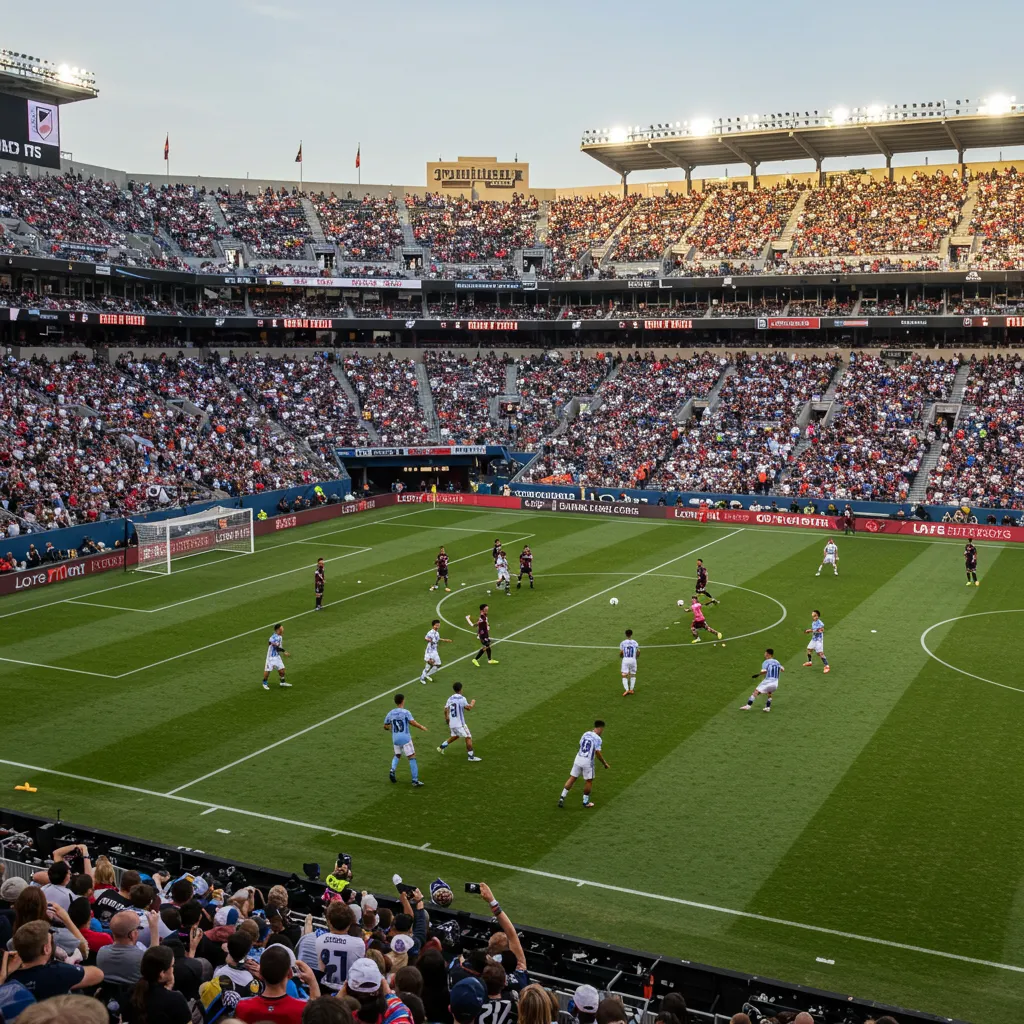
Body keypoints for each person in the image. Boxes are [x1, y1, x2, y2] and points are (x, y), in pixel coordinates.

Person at [3, 920, 104, 998]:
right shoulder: (58, 972)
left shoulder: (7, 972)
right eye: (51, 941)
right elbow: (98, 974)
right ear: (46, 949)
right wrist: (70, 967)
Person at [236, 944, 320, 1023]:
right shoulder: (303, 1010)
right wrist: (312, 980)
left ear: (260, 974)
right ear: (290, 974)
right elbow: (318, 1014)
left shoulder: (242, 1007)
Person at [124, 945, 190, 1024]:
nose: (173, 968)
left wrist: (168, 989)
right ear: (162, 973)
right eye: (172, 966)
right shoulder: (176, 1000)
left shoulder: (131, 992)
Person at [316, 902, 365, 994]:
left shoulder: (320, 940)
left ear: (329, 921)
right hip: (347, 990)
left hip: (324, 988)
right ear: (350, 923)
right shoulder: (359, 943)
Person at [558, 721, 609, 809]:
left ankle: (562, 797)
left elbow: (580, 744)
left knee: (572, 777)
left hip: (578, 758)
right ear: (600, 728)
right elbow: (597, 752)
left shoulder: (586, 733)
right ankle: (585, 802)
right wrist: (604, 763)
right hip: (587, 762)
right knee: (589, 780)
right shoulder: (598, 739)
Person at [385, 694, 427, 787]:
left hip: (395, 738)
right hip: (405, 738)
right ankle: (415, 781)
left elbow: (385, 726)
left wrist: (390, 728)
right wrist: (421, 727)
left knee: (397, 755)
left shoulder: (390, 713)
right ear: (403, 701)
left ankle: (392, 770)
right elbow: (412, 722)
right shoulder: (406, 712)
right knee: (412, 757)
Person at [438, 682, 482, 761]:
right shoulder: (462, 698)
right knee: (468, 737)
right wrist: (472, 702)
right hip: (460, 724)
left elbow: (445, 710)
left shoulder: (450, 698)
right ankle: (471, 757)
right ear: (461, 689)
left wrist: (447, 719)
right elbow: (468, 708)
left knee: (456, 735)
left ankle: (441, 747)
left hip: (452, 723)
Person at [420, 619, 452, 685]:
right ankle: (422, 678)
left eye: (438, 625)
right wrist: (430, 640)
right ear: (433, 626)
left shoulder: (437, 633)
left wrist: (444, 640)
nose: (438, 626)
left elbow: (437, 639)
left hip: (435, 651)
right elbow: (425, 638)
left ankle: (427, 675)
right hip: (429, 652)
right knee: (429, 665)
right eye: (436, 625)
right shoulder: (430, 632)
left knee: (438, 665)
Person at [263, 623, 292, 690]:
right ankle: (264, 683)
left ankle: (282, 682)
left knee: (282, 670)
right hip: (271, 657)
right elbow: (276, 647)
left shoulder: (280, 637)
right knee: (268, 671)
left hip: (277, 656)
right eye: (282, 628)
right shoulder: (273, 638)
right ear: (278, 629)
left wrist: (282, 651)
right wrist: (284, 651)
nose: (283, 629)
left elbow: (279, 647)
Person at [619, 630, 638, 696]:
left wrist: (621, 656)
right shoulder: (635, 642)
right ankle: (631, 689)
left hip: (625, 660)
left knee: (624, 675)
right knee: (632, 674)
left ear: (625, 634)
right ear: (631, 634)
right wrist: (636, 657)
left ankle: (627, 690)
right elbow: (638, 652)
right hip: (633, 660)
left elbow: (621, 652)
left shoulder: (622, 643)